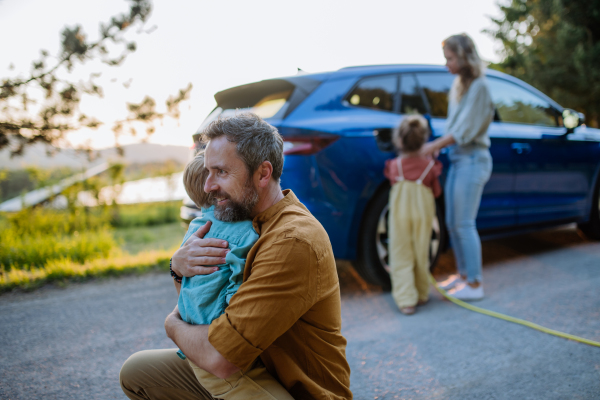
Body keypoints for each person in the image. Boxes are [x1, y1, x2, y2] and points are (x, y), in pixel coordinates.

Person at [119, 113, 353, 400]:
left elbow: (221, 357)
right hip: (249, 370)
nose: (207, 186)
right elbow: (201, 303)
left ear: (263, 174)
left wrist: (171, 325)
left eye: (221, 172)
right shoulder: (240, 221)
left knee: (215, 362)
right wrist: (178, 267)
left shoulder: (293, 240)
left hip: (292, 389)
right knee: (137, 373)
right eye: (207, 171)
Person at [172, 153, 293, 399]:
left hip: (191, 346)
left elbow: (185, 287)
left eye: (224, 171)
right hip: (220, 357)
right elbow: (237, 281)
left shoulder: (195, 230)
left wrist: (175, 267)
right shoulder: (246, 232)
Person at [421, 33, 494, 300]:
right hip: (459, 159)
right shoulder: (459, 86)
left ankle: (475, 283)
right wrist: (439, 144)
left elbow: (464, 130)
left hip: (474, 159)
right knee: (452, 222)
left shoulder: (480, 87)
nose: (446, 64)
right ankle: (463, 275)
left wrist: (431, 146)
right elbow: (454, 126)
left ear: (464, 56)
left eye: (449, 58)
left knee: (464, 223)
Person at [384, 115, 442, 315]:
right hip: (423, 215)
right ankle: (422, 294)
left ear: (399, 140)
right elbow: (436, 192)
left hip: (400, 215)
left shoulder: (394, 166)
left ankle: (406, 300)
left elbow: (394, 185)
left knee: (401, 253)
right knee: (421, 251)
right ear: (424, 141)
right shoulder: (430, 167)